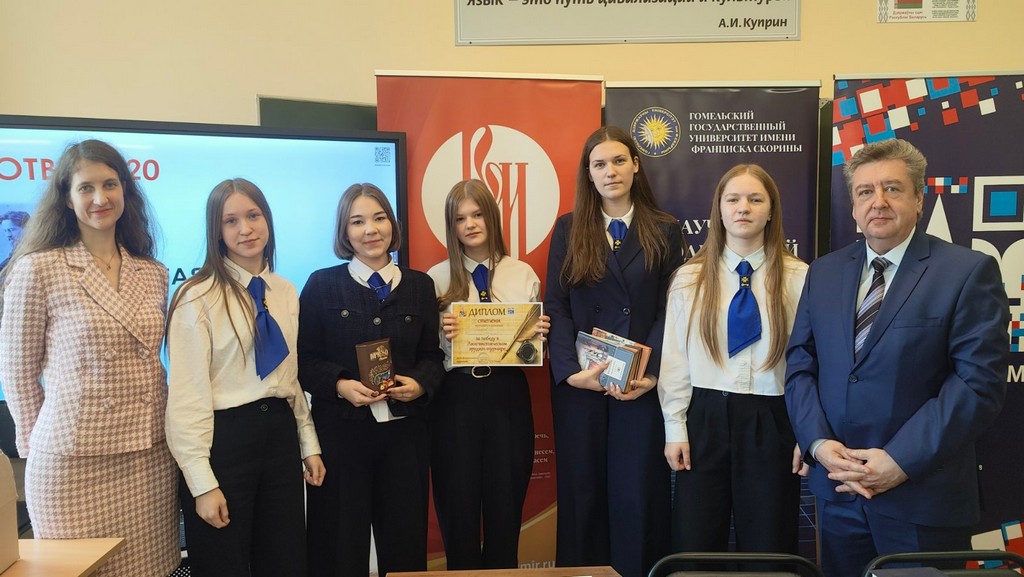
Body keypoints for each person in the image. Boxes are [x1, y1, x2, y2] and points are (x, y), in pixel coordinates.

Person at [785, 139, 1009, 577]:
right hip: (838, 492)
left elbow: (977, 383)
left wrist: (900, 460)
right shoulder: (824, 272)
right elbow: (800, 366)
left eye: (892, 188)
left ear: (919, 199)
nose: (878, 202)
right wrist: (817, 443)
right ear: (853, 206)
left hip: (922, 497)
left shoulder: (967, 272)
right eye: (865, 191)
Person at [0, 139, 179, 577]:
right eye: (86, 188)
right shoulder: (37, 269)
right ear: (66, 197)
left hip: (149, 458)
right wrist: (38, 446)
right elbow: (17, 372)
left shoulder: (153, 272)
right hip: (71, 464)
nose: (100, 198)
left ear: (126, 191)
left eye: (110, 184)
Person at [165, 178, 326, 576]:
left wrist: (308, 443)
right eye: (231, 221)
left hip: (279, 437)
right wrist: (202, 483)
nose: (246, 229)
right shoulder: (196, 297)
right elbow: (186, 398)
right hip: (224, 442)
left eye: (253, 216)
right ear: (216, 231)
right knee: (224, 563)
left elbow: (289, 378)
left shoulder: (284, 290)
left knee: (286, 561)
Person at [544, 126, 684, 577]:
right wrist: (570, 372)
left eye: (619, 160)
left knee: (637, 496)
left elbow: (671, 310)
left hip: (638, 388)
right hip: (581, 388)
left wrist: (651, 372)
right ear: (588, 173)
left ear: (636, 165)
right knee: (582, 496)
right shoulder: (568, 228)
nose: (611, 171)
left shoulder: (665, 229)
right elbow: (556, 305)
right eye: (599, 164)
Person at [659, 164, 808, 556]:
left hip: (773, 420)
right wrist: (675, 426)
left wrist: (808, 433)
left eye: (756, 199)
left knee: (769, 543)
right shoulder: (689, 278)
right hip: (705, 418)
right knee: (695, 540)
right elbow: (675, 359)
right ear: (719, 210)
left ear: (771, 211)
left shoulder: (800, 278)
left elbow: (812, 362)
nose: (744, 207)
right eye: (733, 199)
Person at [298, 183, 444, 577]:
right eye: (357, 221)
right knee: (338, 546)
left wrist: (419, 384)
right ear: (344, 232)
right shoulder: (321, 285)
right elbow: (304, 360)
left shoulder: (420, 286)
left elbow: (432, 356)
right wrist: (340, 385)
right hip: (341, 436)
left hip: (405, 437)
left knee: (405, 546)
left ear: (392, 224)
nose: (370, 230)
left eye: (379, 218)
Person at [426, 179, 550, 569]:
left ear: (492, 217)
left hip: (507, 395)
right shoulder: (435, 278)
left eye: (477, 214)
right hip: (455, 397)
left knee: (505, 507)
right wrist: (440, 331)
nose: (470, 224)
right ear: (451, 226)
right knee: (457, 507)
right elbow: (423, 354)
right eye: (460, 218)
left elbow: (533, 352)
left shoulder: (522, 273)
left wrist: (538, 335)